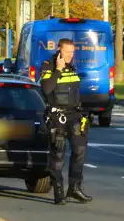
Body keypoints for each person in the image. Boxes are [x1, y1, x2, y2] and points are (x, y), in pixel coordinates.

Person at [39, 38, 91, 205]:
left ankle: (74, 188)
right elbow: (46, 90)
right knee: (58, 154)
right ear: (59, 50)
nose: (70, 55)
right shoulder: (48, 65)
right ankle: (59, 190)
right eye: (67, 52)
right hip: (57, 117)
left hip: (75, 116)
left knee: (80, 151)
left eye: (72, 53)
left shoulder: (73, 67)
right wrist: (58, 70)